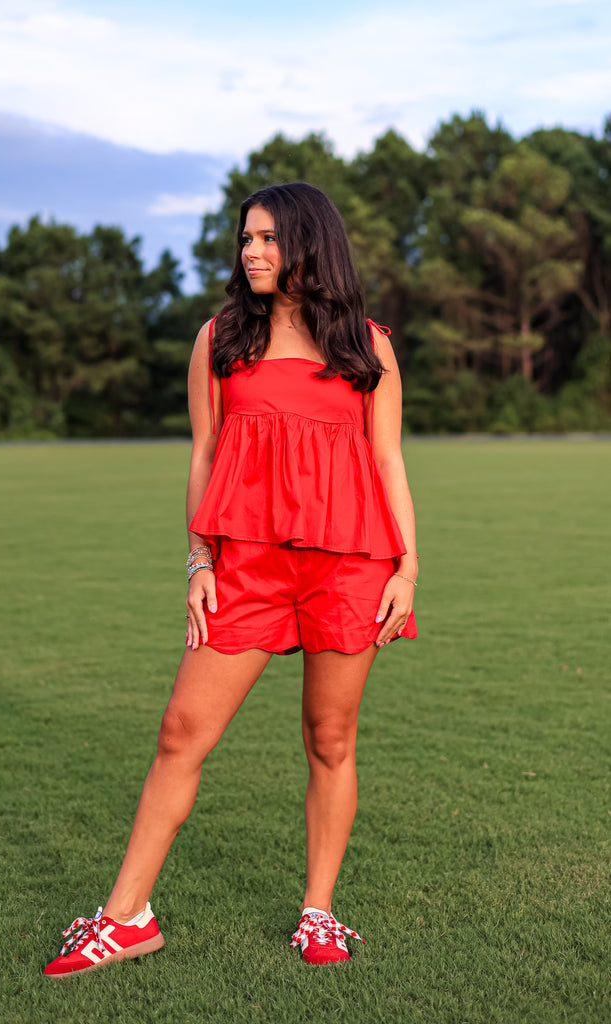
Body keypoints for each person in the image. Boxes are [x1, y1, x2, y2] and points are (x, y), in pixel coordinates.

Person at [44, 182, 418, 976]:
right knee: (181, 731)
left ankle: (319, 913)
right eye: (245, 238)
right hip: (244, 564)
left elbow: (387, 458)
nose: (251, 251)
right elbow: (203, 457)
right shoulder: (219, 338)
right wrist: (196, 560)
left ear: (310, 245)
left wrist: (406, 567)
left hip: (350, 564)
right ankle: (127, 917)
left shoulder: (366, 343)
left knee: (330, 738)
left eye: (268, 239)